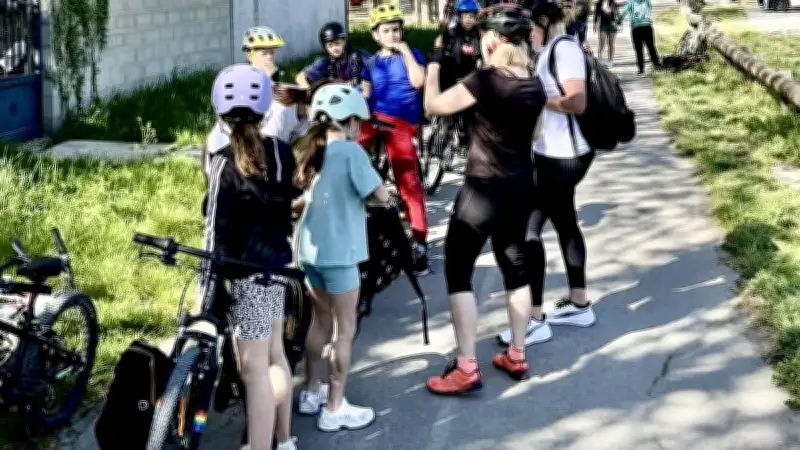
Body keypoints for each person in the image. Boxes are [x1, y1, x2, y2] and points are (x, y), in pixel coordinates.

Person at [423, 3, 548, 395]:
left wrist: (433, 65)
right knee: (515, 267)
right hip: (520, 186)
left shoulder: (484, 80)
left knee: (458, 271)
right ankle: (517, 353)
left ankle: (466, 367)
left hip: (482, 190)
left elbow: (433, 106)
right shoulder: (535, 83)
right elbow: (536, 134)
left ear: (493, 39)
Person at [201, 64, 300, 450]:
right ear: (264, 109)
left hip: (247, 274)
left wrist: (208, 287)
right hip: (279, 265)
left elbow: (214, 229)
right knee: (275, 356)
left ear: (220, 112)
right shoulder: (283, 152)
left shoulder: (223, 161)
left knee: (254, 370)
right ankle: (285, 441)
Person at [497, 0, 596, 345]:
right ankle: (580, 304)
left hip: (563, 156)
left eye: (530, 28)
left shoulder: (563, 49)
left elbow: (577, 101)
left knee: (529, 231)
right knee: (565, 222)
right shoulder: (553, 49)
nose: (529, 36)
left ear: (543, 20)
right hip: (555, 153)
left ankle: (535, 319)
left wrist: (539, 98)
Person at [293, 83, 390, 431]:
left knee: (319, 321)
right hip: (340, 253)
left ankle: (310, 390)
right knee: (344, 330)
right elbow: (380, 195)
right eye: (357, 121)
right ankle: (334, 407)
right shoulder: (351, 152)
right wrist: (379, 197)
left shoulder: (311, 150)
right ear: (348, 121)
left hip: (309, 252)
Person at [359, 0, 430, 275]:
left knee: (408, 181)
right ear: (375, 35)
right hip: (374, 118)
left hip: (401, 123)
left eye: (396, 30)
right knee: (349, 153)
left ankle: (420, 242)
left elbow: (418, 82)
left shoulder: (413, 54)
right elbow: (365, 94)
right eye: (386, 31)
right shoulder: (371, 62)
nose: (392, 35)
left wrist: (405, 52)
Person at [205, 27, 308, 170]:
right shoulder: (239, 82)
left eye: (272, 52)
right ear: (250, 55)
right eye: (264, 53)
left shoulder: (278, 87)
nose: (269, 57)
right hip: (234, 153)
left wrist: (300, 96)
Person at [430, 0, 482, 157]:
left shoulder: (480, 36)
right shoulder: (450, 35)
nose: (468, 20)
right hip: (451, 80)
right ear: (459, 17)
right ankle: (439, 150)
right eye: (465, 16)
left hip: (471, 82)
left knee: (471, 118)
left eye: (471, 16)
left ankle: (466, 143)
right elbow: (441, 55)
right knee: (448, 118)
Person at [296, 22, 371, 88]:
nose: (334, 48)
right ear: (325, 47)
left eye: (337, 43)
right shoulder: (325, 61)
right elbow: (300, 77)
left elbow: (375, 67)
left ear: (344, 41)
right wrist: (308, 91)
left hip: (360, 95)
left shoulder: (358, 55)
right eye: (330, 45)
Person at [617, 0, 661, 76]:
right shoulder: (647, 1)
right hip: (647, 26)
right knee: (651, 47)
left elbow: (623, 12)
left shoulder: (630, 2)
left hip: (636, 28)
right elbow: (650, 7)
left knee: (638, 49)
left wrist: (619, 21)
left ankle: (641, 69)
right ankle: (657, 65)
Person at [594, 0, 620, 66]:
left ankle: (610, 60)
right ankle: (600, 59)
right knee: (602, 42)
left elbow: (618, 14)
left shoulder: (613, 3)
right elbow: (596, 15)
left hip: (612, 26)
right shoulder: (599, 4)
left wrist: (618, 23)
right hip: (603, 25)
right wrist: (595, 25)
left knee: (611, 43)